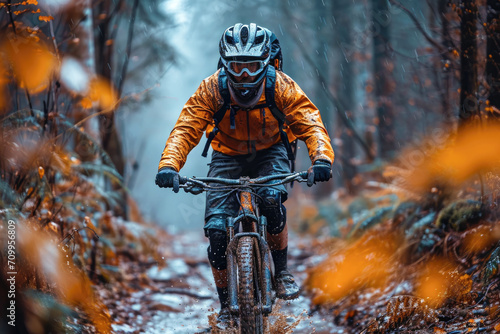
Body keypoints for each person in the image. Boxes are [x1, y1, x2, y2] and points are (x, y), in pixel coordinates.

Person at [155, 23, 334, 327]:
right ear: (226, 63)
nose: (245, 75)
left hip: (272, 150)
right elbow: (187, 127)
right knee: (215, 231)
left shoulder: (281, 86)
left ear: (264, 62)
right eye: (238, 66)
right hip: (226, 155)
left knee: (272, 200)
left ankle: (282, 272)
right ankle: (226, 306)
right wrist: (169, 165)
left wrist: (321, 158)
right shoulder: (212, 88)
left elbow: (310, 121)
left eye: (252, 66)